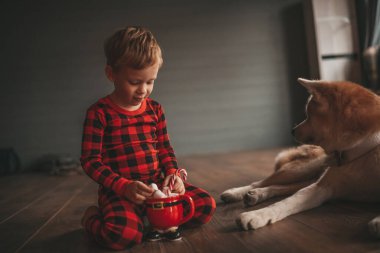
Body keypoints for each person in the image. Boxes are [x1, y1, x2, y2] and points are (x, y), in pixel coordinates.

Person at [80, 26, 216, 250]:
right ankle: (92, 218)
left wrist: (173, 175)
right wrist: (123, 187)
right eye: (134, 82)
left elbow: (164, 148)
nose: (143, 90)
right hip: (120, 193)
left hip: (158, 190)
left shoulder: (155, 109)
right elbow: (90, 162)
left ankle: (151, 221)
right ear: (111, 74)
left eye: (150, 81)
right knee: (122, 236)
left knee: (205, 205)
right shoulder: (99, 112)